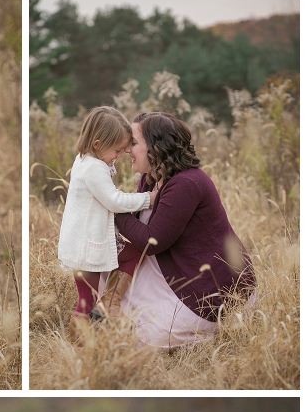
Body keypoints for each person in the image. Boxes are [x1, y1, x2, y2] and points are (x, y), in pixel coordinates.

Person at [110, 112, 257, 348]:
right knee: (105, 288)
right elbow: (137, 221)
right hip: (179, 273)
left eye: (134, 143)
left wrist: (113, 208)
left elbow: (152, 242)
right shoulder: (151, 178)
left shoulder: (186, 183)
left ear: (157, 147)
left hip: (211, 291)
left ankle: (208, 328)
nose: (127, 148)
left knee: (144, 339)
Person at [58, 106, 154, 328]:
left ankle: (109, 303)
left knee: (131, 256)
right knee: (85, 301)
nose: (121, 156)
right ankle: (78, 344)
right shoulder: (93, 169)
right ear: (98, 144)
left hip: (90, 243)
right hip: (87, 249)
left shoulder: (87, 161)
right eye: (117, 151)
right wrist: (148, 198)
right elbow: (115, 201)